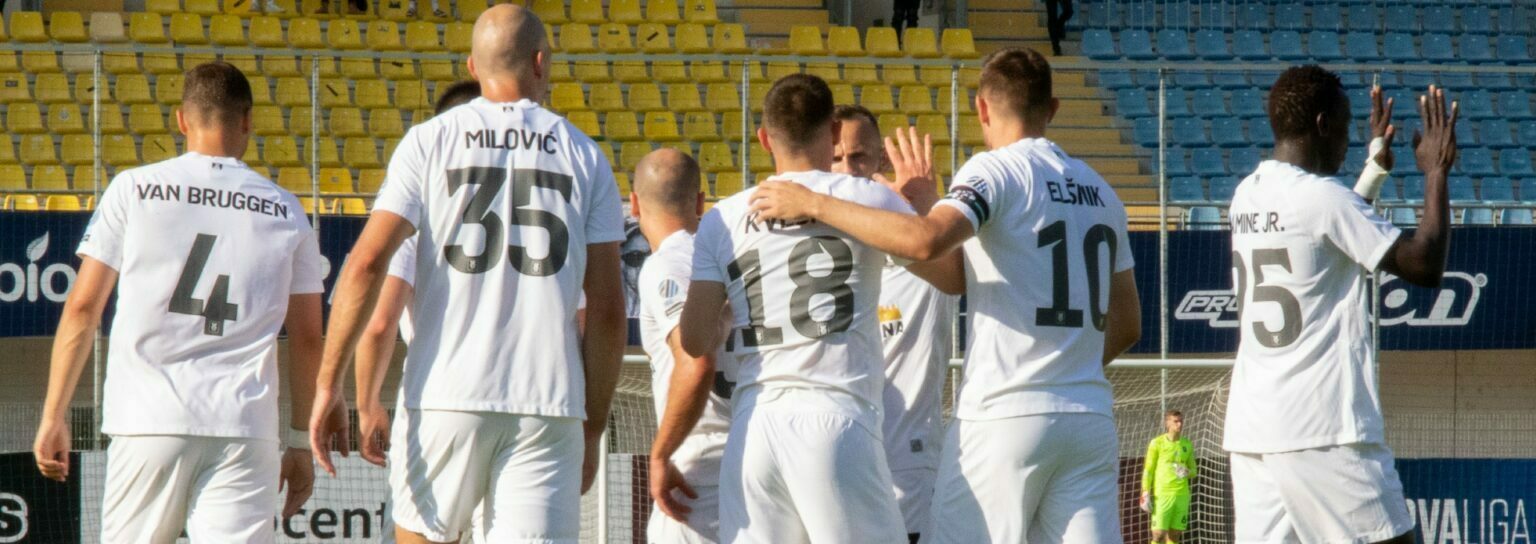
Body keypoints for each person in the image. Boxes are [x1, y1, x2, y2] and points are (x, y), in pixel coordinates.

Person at [748, 47, 1142, 543]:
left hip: (1004, 413)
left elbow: (926, 241)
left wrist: (815, 203)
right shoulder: (1102, 190)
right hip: (1087, 418)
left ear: (981, 108)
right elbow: (1128, 323)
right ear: (1054, 109)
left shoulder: (995, 170)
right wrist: (1063, 367)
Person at [308, 5, 628, 543]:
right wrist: (592, 425)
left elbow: (365, 264)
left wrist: (328, 384)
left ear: (473, 67)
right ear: (541, 63)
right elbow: (608, 311)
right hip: (547, 402)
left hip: (445, 394)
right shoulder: (586, 156)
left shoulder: (429, 140)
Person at [33, 61, 328, 543]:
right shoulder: (287, 209)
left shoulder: (134, 188)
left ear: (182, 120)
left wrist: (53, 415)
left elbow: (84, 309)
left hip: (148, 418)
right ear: (248, 121)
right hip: (242, 425)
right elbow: (309, 337)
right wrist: (299, 440)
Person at [676, 73, 920, 543]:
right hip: (835, 416)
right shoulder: (867, 196)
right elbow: (946, 270)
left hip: (755, 428)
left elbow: (693, 338)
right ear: (834, 132)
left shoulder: (725, 216)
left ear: (764, 139)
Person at [1224, 66, 1456, 544]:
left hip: (1255, 430)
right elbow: (1425, 264)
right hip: (1323, 428)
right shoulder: (1322, 198)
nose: (1350, 141)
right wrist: (1435, 171)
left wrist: (1374, 168)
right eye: (1348, 127)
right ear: (1322, 124)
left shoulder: (1247, 194)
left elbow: (1323, 237)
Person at [830, 104, 958, 544]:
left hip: (907, 463)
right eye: (836, 158)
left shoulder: (920, 247)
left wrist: (927, 204)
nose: (848, 170)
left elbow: (961, 266)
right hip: (830, 459)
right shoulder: (808, 253)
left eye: (859, 157)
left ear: (879, 161)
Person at [633, 148, 733, 543]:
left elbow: (696, 361)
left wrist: (660, 454)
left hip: (699, 474)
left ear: (634, 204)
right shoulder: (729, 258)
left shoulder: (666, 265)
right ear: (700, 201)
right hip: (755, 457)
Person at [1142, 410, 1196, 544]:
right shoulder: (1157, 443)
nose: (1179, 424)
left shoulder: (1187, 444)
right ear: (1167, 423)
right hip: (1163, 494)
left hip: (1181, 495)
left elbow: (1194, 471)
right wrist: (1145, 491)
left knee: (1175, 535)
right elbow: (1148, 469)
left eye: (1181, 421)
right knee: (1158, 535)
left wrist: (1186, 472)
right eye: (1175, 421)